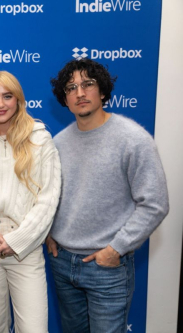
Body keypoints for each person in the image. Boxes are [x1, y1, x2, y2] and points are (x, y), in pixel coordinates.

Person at [47, 58, 169, 333]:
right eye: (71, 87)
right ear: (64, 99)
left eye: (87, 84)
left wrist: (116, 249)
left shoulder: (133, 139)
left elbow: (155, 203)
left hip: (107, 269)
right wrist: (49, 231)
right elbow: (51, 195)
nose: (79, 93)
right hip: (63, 265)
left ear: (102, 91)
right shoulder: (57, 144)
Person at [0, 71, 61, 333]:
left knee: (33, 329)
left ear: (18, 100)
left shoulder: (40, 140)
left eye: (7, 96)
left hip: (25, 252)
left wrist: (17, 240)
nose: (1, 104)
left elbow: (48, 198)